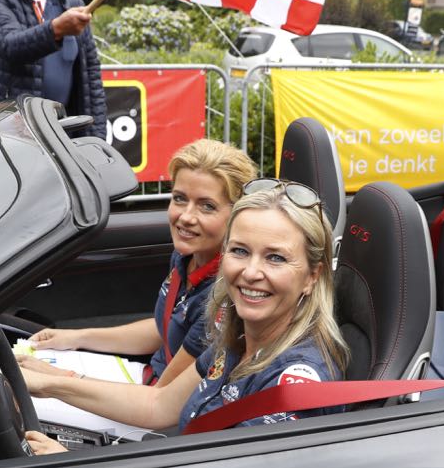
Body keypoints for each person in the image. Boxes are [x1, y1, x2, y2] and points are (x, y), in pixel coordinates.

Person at [20, 179, 348, 454]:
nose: (250, 272)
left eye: (275, 258)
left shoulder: (293, 383)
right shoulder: (240, 337)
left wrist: (77, 467)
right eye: (240, 251)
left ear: (312, 276)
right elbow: (159, 405)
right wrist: (51, 384)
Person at [26, 140, 257, 389]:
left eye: (207, 206)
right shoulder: (186, 257)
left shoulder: (223, 294)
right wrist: (76, 337)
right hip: (145, 381)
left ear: (237, 215)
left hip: (154, 401)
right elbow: (165, 331)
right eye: (180, 199)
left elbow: (160, 401)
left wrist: (58, 378)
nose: (186, 217)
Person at [0, 0, 105, 138]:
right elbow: (9, 44)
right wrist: (56, 29)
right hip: (16, 133)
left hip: (65, 131)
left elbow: (91, 76)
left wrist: (97, 135)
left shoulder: (72, 3)